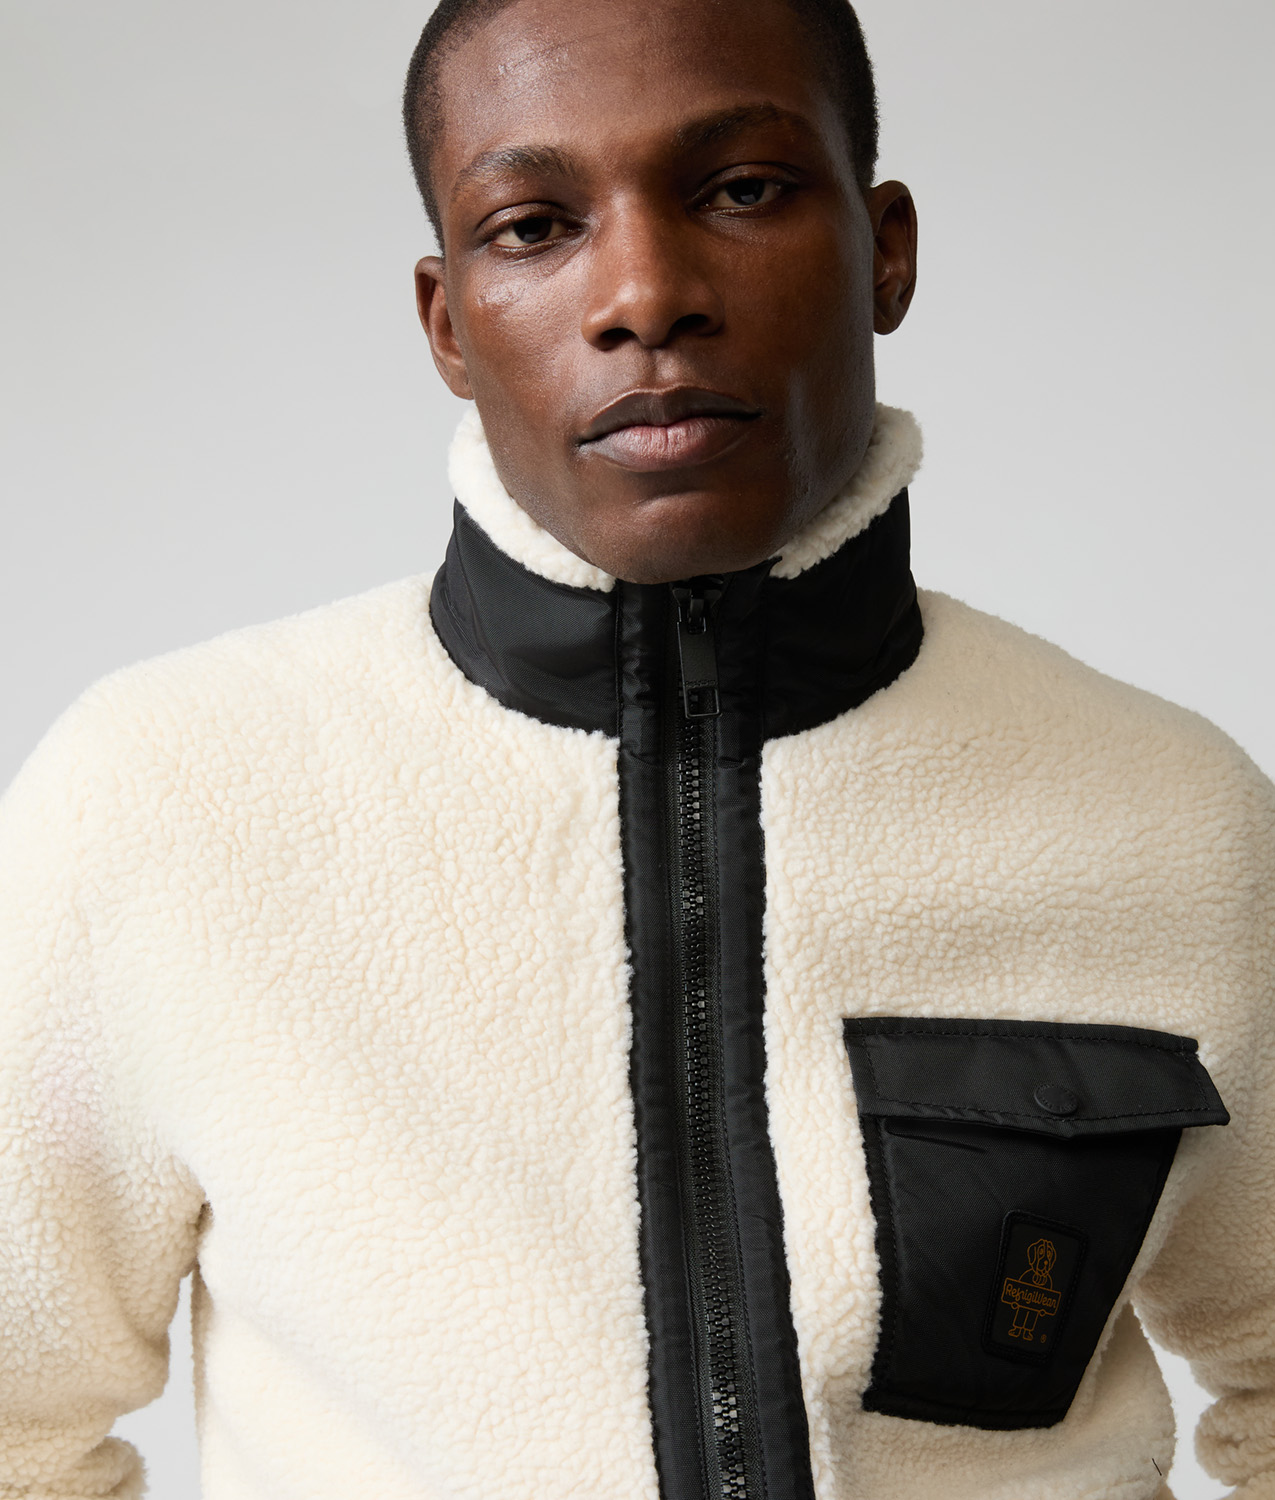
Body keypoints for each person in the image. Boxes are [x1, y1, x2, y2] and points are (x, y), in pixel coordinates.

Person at [0, 0, 1270, 1497]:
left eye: (743, 189)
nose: (646, 294)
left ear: (887, 252)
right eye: (534, 227)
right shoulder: (163, 802)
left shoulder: (1174, 817)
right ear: (447, 322)